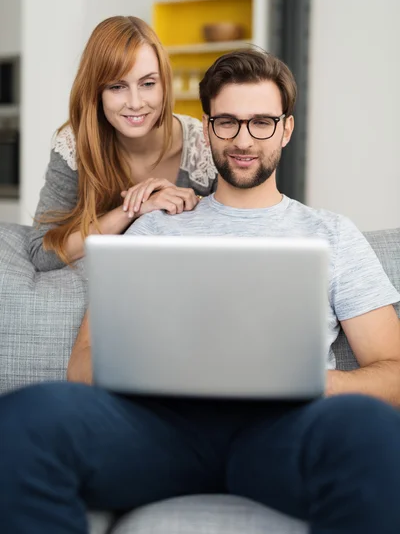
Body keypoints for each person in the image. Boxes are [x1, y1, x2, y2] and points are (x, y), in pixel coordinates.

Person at [2, 49, 400, 534]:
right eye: (227, 122)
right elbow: (81, 363)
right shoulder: (155, 230)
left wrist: (322, 383)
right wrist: (146, 368)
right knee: (26, 417)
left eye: (262, 123)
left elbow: (394, 374)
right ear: (207, 128)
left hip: (282, 431)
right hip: (160, 434)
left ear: (286, 130)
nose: (243, 140)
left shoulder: (332, 233)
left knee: (371, 430)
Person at [29, 15, 217, 271]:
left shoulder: (204, 144)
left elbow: (235, 233)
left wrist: (194, 203)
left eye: (148, 83)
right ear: (96, 92)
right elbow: (42, 253)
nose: (136, 102)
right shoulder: (74, 145)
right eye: (117, 87)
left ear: (164, 84)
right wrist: (133, 210)